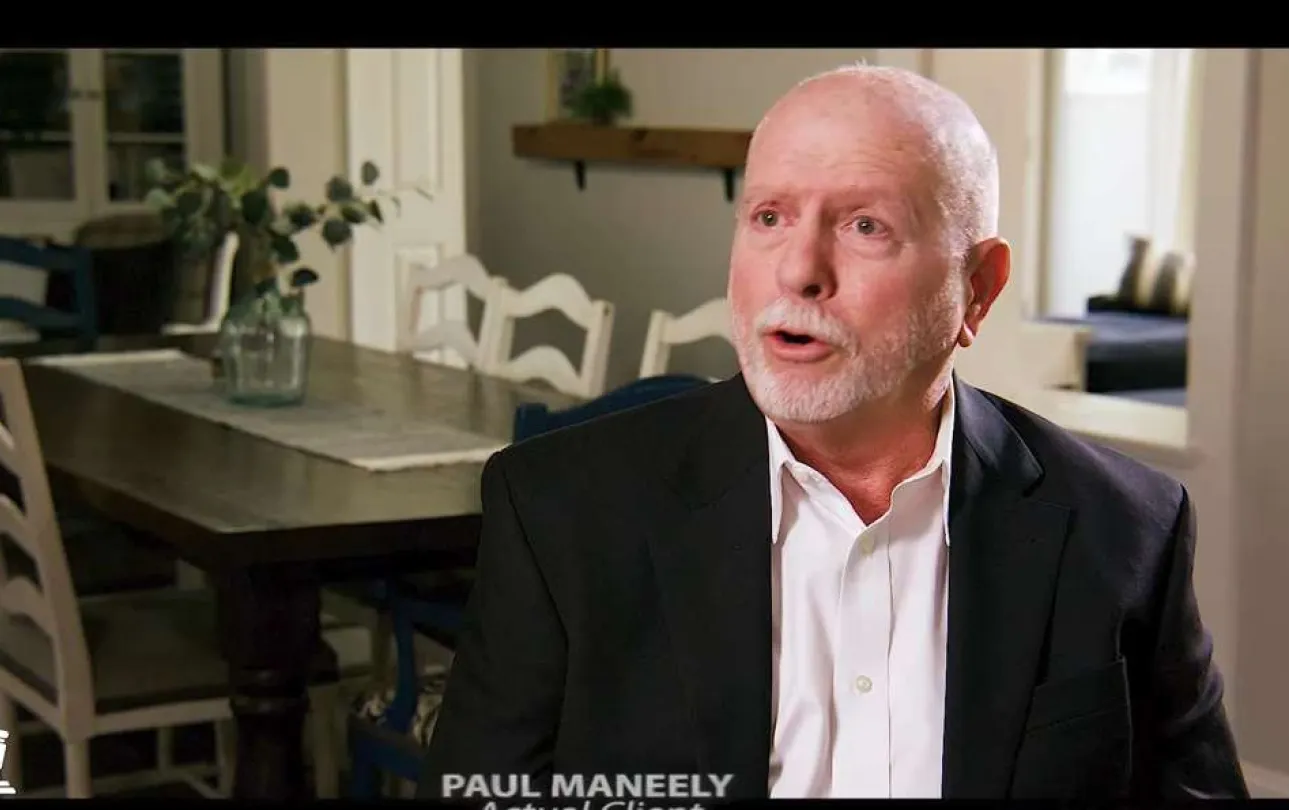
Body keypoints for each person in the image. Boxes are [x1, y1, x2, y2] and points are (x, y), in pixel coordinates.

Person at [419, 64, 1247, 800]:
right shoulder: (559, 508)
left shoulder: (1125, 528)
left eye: (864, 226)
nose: (798, 270)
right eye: (770, 217)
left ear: (978, 290)